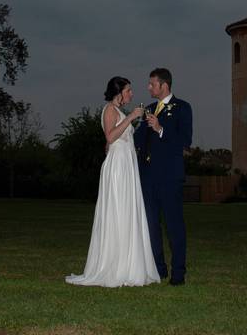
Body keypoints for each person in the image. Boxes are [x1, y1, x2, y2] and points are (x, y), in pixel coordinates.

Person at [66, 76, 160, 287]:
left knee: (128, 212)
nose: (131, 94)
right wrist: (132, 118)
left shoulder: (119, 111)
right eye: (129, 90)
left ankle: (128, 264)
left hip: (127, 165)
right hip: (118, 168)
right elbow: (110, 137)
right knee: (118, 211)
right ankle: (114, 265)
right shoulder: (110, 109)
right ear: (119, 92)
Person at [134, 67, 193, 285]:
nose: (148, 87)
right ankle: (159, 270)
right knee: (151, 226)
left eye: (152, 84)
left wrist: (160, 129)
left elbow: (185, 141)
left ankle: (178, 273)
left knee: (174, 226)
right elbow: (138, 141)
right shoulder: (148, 108)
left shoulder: (183, 108)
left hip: (170, 178)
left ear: (164, 85)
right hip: (148, 179)